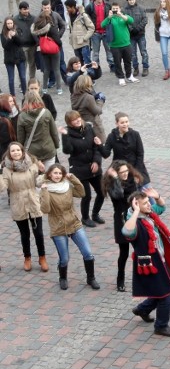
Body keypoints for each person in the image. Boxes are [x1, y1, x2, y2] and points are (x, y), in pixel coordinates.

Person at [124, 191, 170, 337]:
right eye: (145, 203)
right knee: (166, 293)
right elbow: (127, 232)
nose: (150, 205)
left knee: (161, 289)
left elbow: (162, 207)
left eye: (149, 201)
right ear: (136, 206)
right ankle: (161, 325)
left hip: (160, 259)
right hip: (150, 264)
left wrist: (157, 196)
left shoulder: (149, 213)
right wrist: (135, 212)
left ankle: (143, 309)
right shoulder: (133, 220)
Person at [40, 163, 101, 290]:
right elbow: (45, 209)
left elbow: (81, 192)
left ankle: (91, 278)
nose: (57, 175)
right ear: (49, 174)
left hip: (74, 223)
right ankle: (62, 278)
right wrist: (44, 191)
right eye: (55, 173)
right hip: (58, 227)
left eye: (60, 173)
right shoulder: (46, 189)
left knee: (88, 253)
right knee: (64, 258)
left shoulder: (67, 186)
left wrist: (72, 178)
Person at [1, 141, 48, 273]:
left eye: (18, 150)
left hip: (33, 201)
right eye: (13, 151)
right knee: (24, 234)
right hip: (18, 203)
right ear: (9, 154)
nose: (16, 152)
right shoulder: (6, 169)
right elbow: (3, 187)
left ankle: (42, 257)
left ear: (22, 151)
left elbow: (37, 180)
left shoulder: (32, 165)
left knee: (38, 233)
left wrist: (42, 180)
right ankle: (27, 257)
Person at [102, 160, 144, 292]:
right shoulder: (111, 185)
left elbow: (136, 197)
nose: (125, 174)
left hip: (134, 217)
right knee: (124, 253)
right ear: (116, 173)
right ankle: (120, 279)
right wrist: (115, 178)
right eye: (122, 173)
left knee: (141, 250)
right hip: (121, 219)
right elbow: (119, 194)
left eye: (127, 171)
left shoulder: (132, 180)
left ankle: (144, 276)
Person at [59, 110, 105, 228]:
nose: (78, 120)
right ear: (69, 123)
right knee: (86, 195)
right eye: (74, 119)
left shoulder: (89, 128)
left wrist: (96, 161)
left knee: (102, 192)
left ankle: (95, 214)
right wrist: (64, 136)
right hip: (79, 168)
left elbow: (96, 146)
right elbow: (67, 151)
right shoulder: (68, 133)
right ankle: (85, 218)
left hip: (93, 166)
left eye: (78, 117)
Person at [17, 91, 59, 171]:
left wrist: (22, 151)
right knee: (49, 176)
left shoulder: (22, 116)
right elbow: (54, 132)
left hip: (32, 153)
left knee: (35, 177)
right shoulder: (46, 112)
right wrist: (56, 145)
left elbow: (20, 138)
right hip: (48, 149)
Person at [102, 2, 137, 87]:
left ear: (120, 9)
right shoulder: (110, 19)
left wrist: (121, 15)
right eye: (113, 9)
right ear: (111, 10)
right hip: (114, 45)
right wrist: (108, 17)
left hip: (126, 44)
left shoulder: (124, 16)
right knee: (117, 62)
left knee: (128, 61)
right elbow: (102, 25)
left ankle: (129, 76)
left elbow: (131, 21)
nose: (115, 10)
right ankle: (121, 77)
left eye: (116, 9)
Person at [30, 11, 64, 95]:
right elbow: (58, 40)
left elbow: (37, 37)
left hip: (44, 50)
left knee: (46, 69)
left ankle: (44, 88)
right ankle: (59, 88)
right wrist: (58, 44)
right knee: (56, 69)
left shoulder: (39, 28)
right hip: (54, 51)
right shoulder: (51, 27)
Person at [84, 0, 114, 71]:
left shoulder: (108, 5)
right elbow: (85, 19)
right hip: (95, 33)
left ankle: (112, 65)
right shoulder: (89, 6)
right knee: (95, 52)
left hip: (106, 31)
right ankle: (96, 67)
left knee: (109, 50)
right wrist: (90, 30)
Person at [70, 75, 105, 142]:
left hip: (82, 124)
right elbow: (97, 111)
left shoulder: (73, 95)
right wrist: (100, 101)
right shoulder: (88, 97)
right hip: (93, 125)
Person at [123, 0, 149, 77]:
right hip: (131, 36)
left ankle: (145, 67)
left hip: (140, 34)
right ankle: (136, 68)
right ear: (128, 1)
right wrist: (131, 29)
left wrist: (138, 28)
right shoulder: (124, 10)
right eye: (130, 0)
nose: (132, 1)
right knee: (133, 54)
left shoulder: (141, 8)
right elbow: (125, 21)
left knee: (143, 51)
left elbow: (145, 19)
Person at [64, 0, 95, 67]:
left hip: (84, 44)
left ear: (73, 7)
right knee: (79, 63)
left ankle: (90, 75)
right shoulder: (69, 16)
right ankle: (82, 76)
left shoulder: (83, 15)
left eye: (68, 8)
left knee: (87, 62)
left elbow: (92, 28)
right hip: (75, 44)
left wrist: (85, 38)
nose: (67, 9)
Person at [2, 17, 27, 97]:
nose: (9, 25)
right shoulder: (2, 34)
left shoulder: (18, 30)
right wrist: (9, 38)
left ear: (13, 23)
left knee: (23, 77)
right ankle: (12, 95)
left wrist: (15, 36)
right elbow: (5, 47)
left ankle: (25, 93)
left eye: (11, 23)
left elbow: (20, 43)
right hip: (9, 58)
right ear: (5, 25)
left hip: (19, 56)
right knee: (11, 79)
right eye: (8, 23)